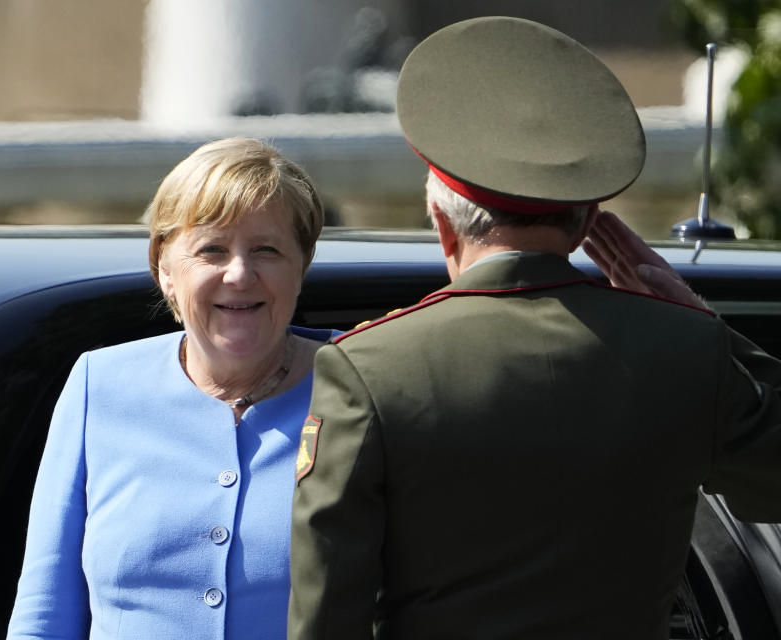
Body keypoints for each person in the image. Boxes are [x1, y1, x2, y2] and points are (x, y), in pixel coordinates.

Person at [288, 16, 781, 640]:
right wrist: (698, 317)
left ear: (442, 222)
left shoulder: (370, 366)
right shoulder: (684, 350)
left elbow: (328, 612)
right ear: (583, 227)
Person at [6, 137, 335, 639]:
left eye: (266, 250)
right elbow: (44, 612)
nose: (240, 274)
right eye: (212, 250)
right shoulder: (100, 385)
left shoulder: (357, 383)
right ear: (165, 268)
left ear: (302, 264)